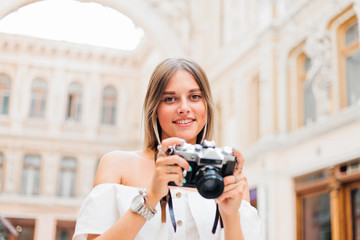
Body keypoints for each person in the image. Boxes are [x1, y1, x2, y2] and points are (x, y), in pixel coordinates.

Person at [72, 58, 262, 240]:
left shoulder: (228, 180)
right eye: (170, 99)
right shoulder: (116, 165)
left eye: (195, 97)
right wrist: (152, 197)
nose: (184, 107)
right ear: (154, 108)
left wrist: (230, 218)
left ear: (206, 106)